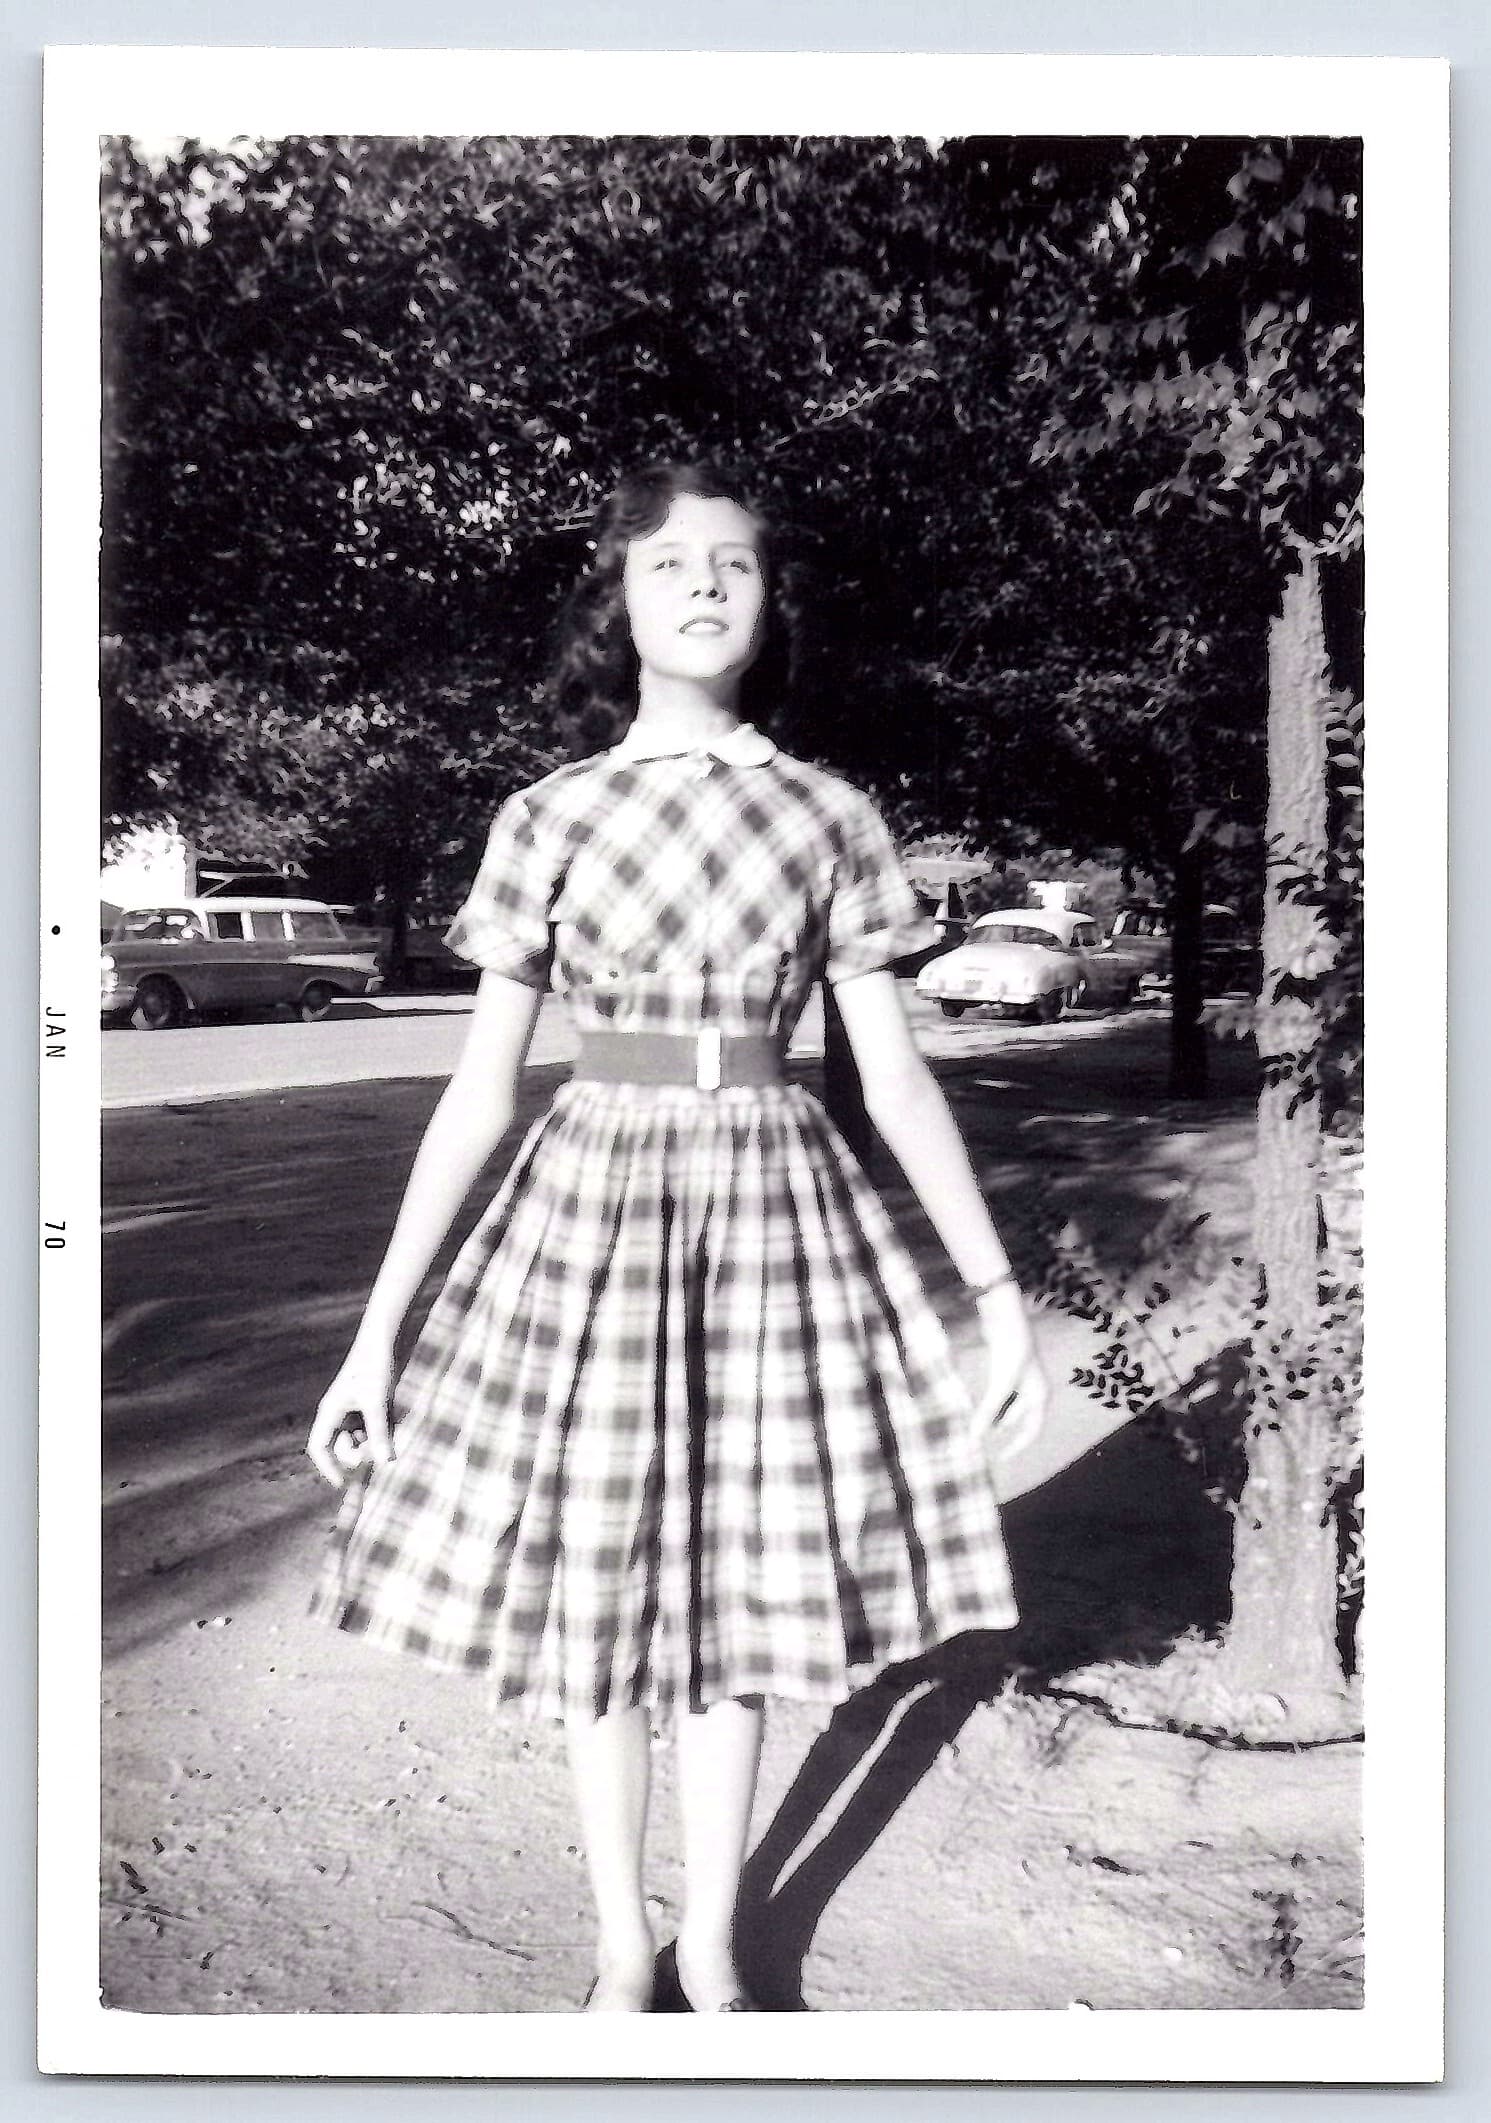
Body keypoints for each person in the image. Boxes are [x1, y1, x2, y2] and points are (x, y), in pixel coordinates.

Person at [306, 462, 1049, 2014]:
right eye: (669, 565)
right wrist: (376, 1338)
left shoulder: (831, 814)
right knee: (600, 1581)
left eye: (737, 566)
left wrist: (992, 1293)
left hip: (778, 1214)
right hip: (591, 1210)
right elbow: (478, 1095)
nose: (705, 585)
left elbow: (895, 1078)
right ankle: (614, 1940)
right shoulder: (548, 817)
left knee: (746, 1583)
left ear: (770, 607)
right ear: (620, 603)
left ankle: (711, 1937)